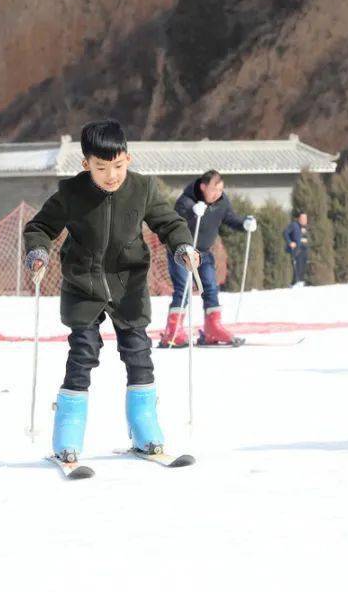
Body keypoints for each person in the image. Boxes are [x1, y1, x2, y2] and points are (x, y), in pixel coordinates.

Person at [23, 119, 198, 462]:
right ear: (86, 164)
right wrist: (38, 251)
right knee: (83, 354)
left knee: (138, 353)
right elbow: (40, 227)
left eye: (118, 166)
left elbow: (170, 223)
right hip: (82, 286)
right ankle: (67, 433)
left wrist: (183, 248)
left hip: (128, 285)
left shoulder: (142, 189)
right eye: (101, 168)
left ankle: (145, 425)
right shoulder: (71, 194)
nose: (111, 175)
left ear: (128, 159)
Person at [159, 170, 256, 348]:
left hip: (203, 252)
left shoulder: (221, 201)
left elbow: (229, 218)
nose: (218, 193)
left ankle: (213, 328)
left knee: (211, 288)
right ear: (203, 187)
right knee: (183, 289)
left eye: (221, 190)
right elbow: (173, 225)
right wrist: (192, 213)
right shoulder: (185, 202)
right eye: (214, 189)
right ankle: (173, 332)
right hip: (182, 252)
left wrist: (244, 224)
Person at [283, 212, 309, 287]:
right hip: (297, 249)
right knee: (297, 266)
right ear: (299, 218)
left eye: (306, 218)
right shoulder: (294, 225)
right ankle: (297, 283)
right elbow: (285, 233)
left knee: (303, 266)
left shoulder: (306, 227)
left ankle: (297, 283)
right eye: (303, 218)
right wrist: (290, 242)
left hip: (304, 249)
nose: (305, 220)